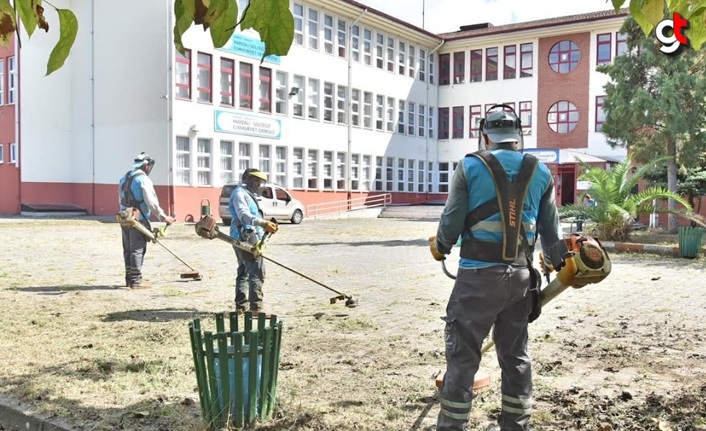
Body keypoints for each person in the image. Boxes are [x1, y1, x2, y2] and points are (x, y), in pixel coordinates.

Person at [429, 106, 561, 431]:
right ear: (518, 136)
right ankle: (516, 426)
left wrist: (441, 246)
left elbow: (451, 220)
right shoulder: (541, 172)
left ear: (485, 135)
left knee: (462, 359)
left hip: (476, 280)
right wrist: (558, 262)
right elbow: (552, 235)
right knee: (515, 358)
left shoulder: (469, 166)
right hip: (519, 281)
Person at [118, 152, 175, 289]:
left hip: (124, 218)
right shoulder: (143, 180)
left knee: (127, 249)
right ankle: (136, 281)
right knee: (137, 249)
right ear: (145, 165)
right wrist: (164, 217)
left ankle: (129, 279)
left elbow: (120, 198)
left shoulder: (124, 178)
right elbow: (152, 203)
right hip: (139, 219)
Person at [229, 168, 278, 313]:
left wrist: (265, 226)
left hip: (246, 236)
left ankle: (241, 306)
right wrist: (263, 223)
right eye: (254, 179)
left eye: (259, 181)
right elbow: (243, 215)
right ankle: (255, 308)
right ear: (245, 179)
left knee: (244, 271)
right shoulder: (239, 193)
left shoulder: (248, 194)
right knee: (256, 271)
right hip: (244, 236)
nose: (257, 183)